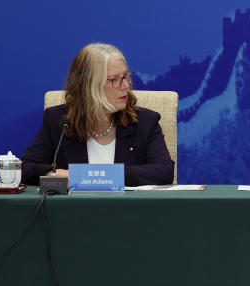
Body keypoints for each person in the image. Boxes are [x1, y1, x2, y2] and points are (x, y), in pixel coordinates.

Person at [22, 43, 174, 187]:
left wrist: (101, 176)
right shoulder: (59, 120)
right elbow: (25, 168)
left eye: (126, 76)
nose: (126, 86)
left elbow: (164, 171)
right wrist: (53, 174)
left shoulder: (145, 121)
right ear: (88, 86)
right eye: (115, 80)